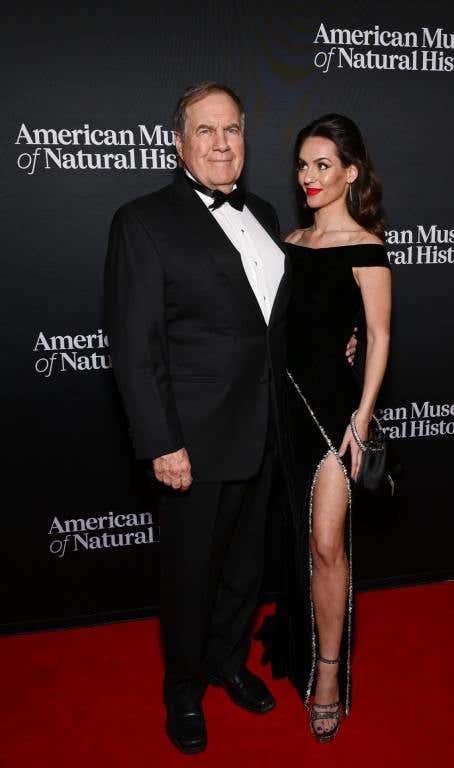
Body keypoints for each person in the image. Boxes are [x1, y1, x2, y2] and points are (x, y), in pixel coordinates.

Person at [104, 82, 286, 754]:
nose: (220, 143)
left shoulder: (264, 211)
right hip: (193, 439)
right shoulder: (143, 221)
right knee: (189, 572)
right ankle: (182, 691)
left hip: (267, 429)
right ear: (177, 141)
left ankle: (227, 663)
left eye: (231, 129)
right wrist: (162, 442)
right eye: (204, 131)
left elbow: (272, 323)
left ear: (245, 138)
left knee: (246, 567)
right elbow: (134, 344)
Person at [260, 113, 391, 743]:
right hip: (285, 408)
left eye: (322, 166)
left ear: (350, 173)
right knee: (298, 541)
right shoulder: (288, 243)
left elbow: (382, 337)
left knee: (327, 544)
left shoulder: (367, 246)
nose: (309, 177)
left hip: (336, 416)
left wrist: (362, 422)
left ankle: (331, 675)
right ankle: (302, 640)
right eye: (303, 165)